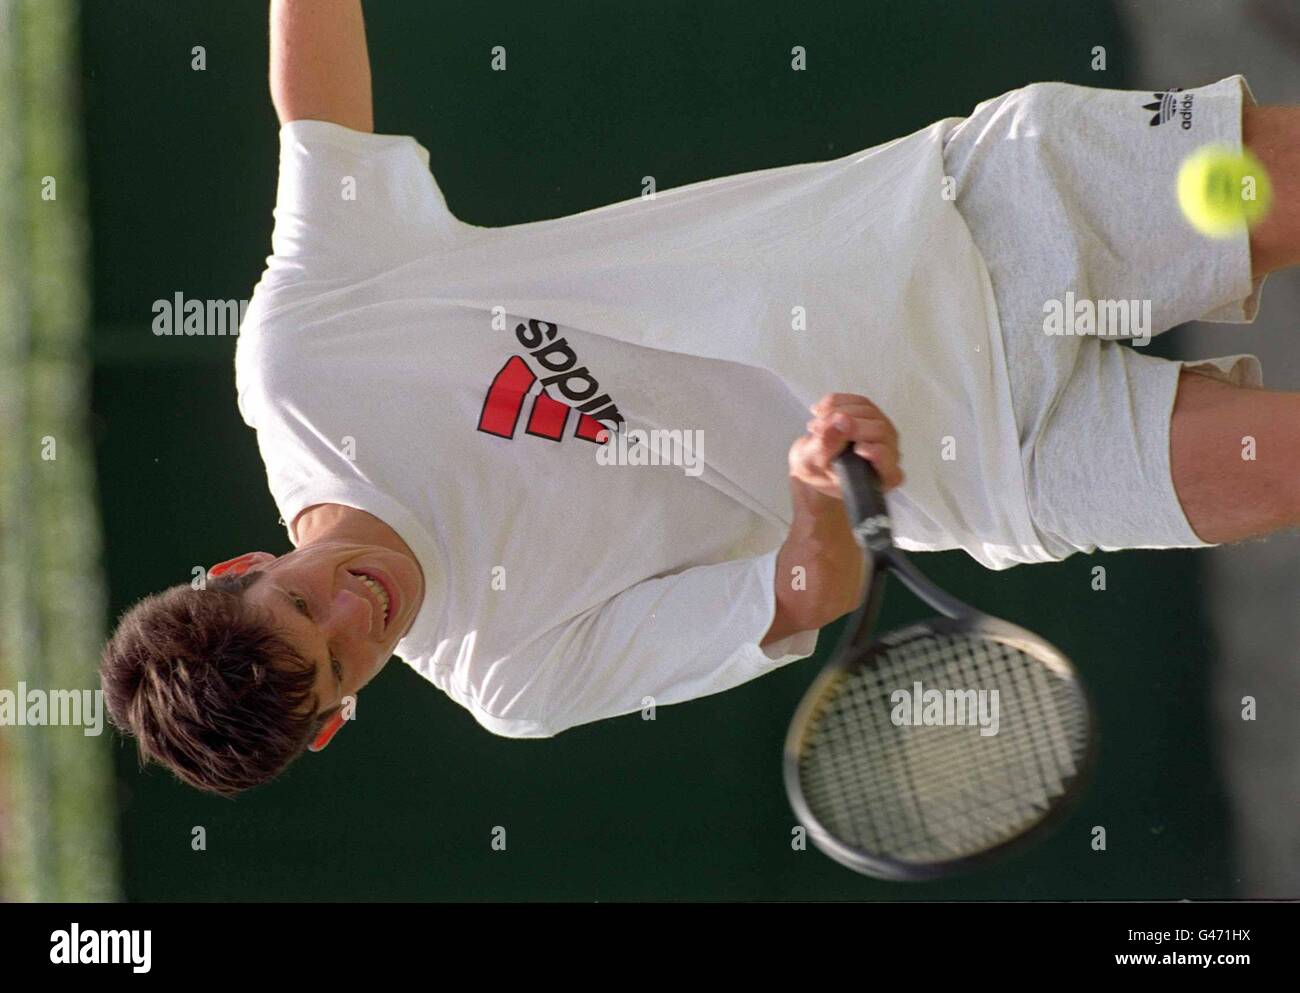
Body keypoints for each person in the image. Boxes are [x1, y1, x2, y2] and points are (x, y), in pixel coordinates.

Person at [101, 0, 1299, 797]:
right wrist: (811, 496)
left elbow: (317, 121)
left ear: (241, 565)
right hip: (993, 471)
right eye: (344, 663)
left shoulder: (305, 360)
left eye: (303, 605)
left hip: (963, 222)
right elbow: (801, 596)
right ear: (332, 721)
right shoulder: (517, 678)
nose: (356, 611)